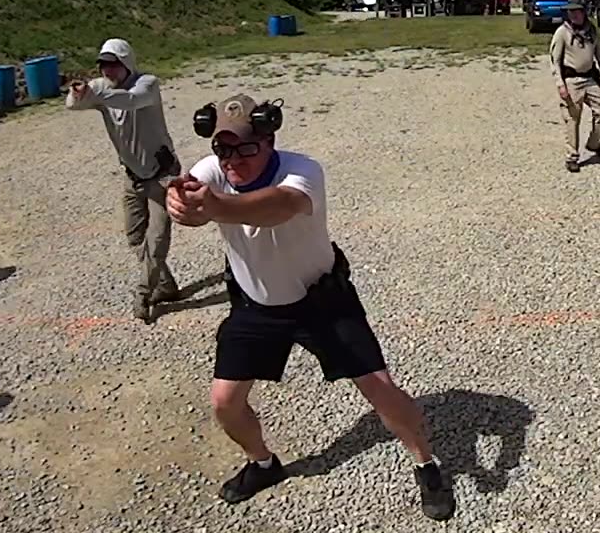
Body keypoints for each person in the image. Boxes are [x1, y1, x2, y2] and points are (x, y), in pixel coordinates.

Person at [165, 94, 456, 520]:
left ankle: (426, 464)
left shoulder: (302, 171)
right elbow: (190, 201)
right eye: (223, 148)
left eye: (245, 147)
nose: (232, 160)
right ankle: (263, 463)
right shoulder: (212, 173)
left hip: (323, 302)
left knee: (384, 394)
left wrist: (214, 206)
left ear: (269, 138)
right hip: (256, 304)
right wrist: (182, 205)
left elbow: (277, 208)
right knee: (225, 403)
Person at [66, 38, 183, 322]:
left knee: (156, 242)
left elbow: (133, 101)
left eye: (113, 64)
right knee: (135, 238)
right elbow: (71, 104)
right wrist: (81, 92)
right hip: (132, 177)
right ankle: (166, 285)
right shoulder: (102, 89)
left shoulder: (148, 83)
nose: (108, 70)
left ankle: (144, 293)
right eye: (103, 64)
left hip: (161, 177)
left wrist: (94, 95)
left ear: (127, 62)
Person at [549, 0, 600, 172]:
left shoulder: (592, 31)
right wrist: (560, 84)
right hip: (571, 81)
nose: (574, 14)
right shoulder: (562, 32)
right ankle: (572, 156)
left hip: (590, 78)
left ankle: (594, 144)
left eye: (577, 11)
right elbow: (554, 61)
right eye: (571, 11)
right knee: (572, 118)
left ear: (584, 12)